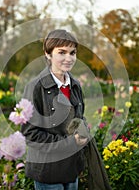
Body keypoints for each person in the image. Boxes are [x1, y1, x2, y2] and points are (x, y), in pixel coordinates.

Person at [20, 29, 88, 190]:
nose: (68, 58)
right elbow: (30, 134)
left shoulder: (75, 85)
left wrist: (83, 131)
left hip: (71, 169)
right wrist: (70, 143)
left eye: (73, 53)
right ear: (48, 54)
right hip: (48, 171)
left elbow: (79, 118)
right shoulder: (35, 87)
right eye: (62, 52)